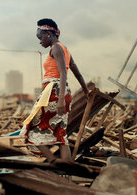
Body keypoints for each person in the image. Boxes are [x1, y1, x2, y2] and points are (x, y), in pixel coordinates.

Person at [21, 18, 90, 164]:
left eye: (40, 38)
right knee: (60, 133)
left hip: (54, 91)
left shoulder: (56, 48)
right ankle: (67, 168)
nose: (40, 42)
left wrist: (59, 100)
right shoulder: (65, 50)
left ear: (47, 34)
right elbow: (78, 74)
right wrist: (86, 92)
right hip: (63, 91)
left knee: (31, 129)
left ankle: (53, 160)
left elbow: (63, 73)